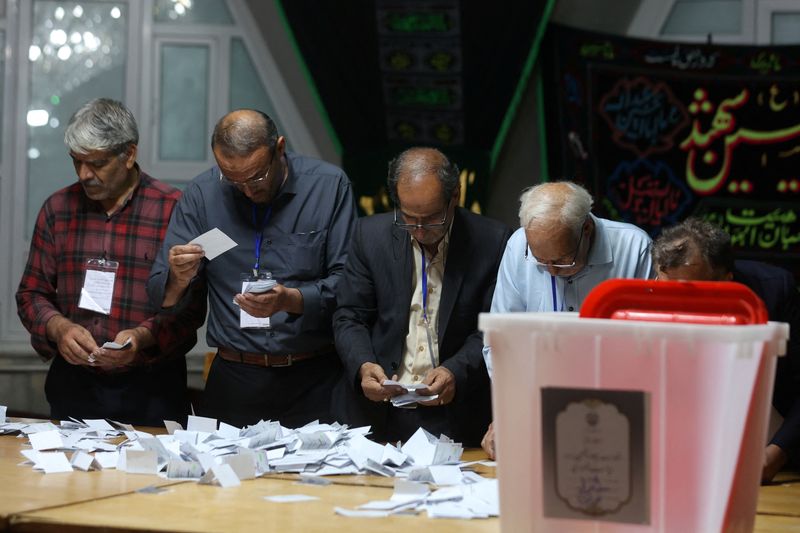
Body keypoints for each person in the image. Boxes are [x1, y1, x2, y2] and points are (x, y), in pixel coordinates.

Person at [147, 109, 357, 428]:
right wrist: (178, 279)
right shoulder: (203, 195)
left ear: (280, 149)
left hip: (313, 379)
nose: (246, 189)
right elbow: (158, 297)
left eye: (256, 176)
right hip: (234, 379)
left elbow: (349, 284)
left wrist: (290, 300)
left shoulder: (328, 187)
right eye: (232, 179)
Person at [16, 98, 206, 426]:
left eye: (97, 163)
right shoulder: (57, 209)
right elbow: (30, 294)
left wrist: (141, 337)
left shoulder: (173, 209)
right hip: (74, 384)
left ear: (129, 154)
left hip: (152, 386)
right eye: (76, 162)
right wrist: (59, 328)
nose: (84, 174)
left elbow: (191, 309)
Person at [332, 147, 512, 445]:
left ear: (455, 195)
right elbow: (349, 315)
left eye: (431, 219)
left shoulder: (492, 241)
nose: (418, 230)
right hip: (378, 411)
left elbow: (493, 330)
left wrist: (456, 371)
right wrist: (363, 365)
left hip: (453, 413)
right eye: (408, 218)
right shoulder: (369, 235)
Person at [481, 181, 653, 457]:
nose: (550, 271)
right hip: (537, 407)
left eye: (561, 261)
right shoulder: (518, 247)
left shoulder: (635, 249)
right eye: (541, 262)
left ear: (586, 230)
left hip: (615, 412)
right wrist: (508, 412)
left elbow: (647, 351)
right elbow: (502, 343)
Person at [652, 217, 800, 482]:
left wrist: (774, 456)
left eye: (688, 294)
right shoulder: (646, 298)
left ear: (726, 281)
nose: (675, 305)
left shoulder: (775, 291)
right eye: (666, 290)